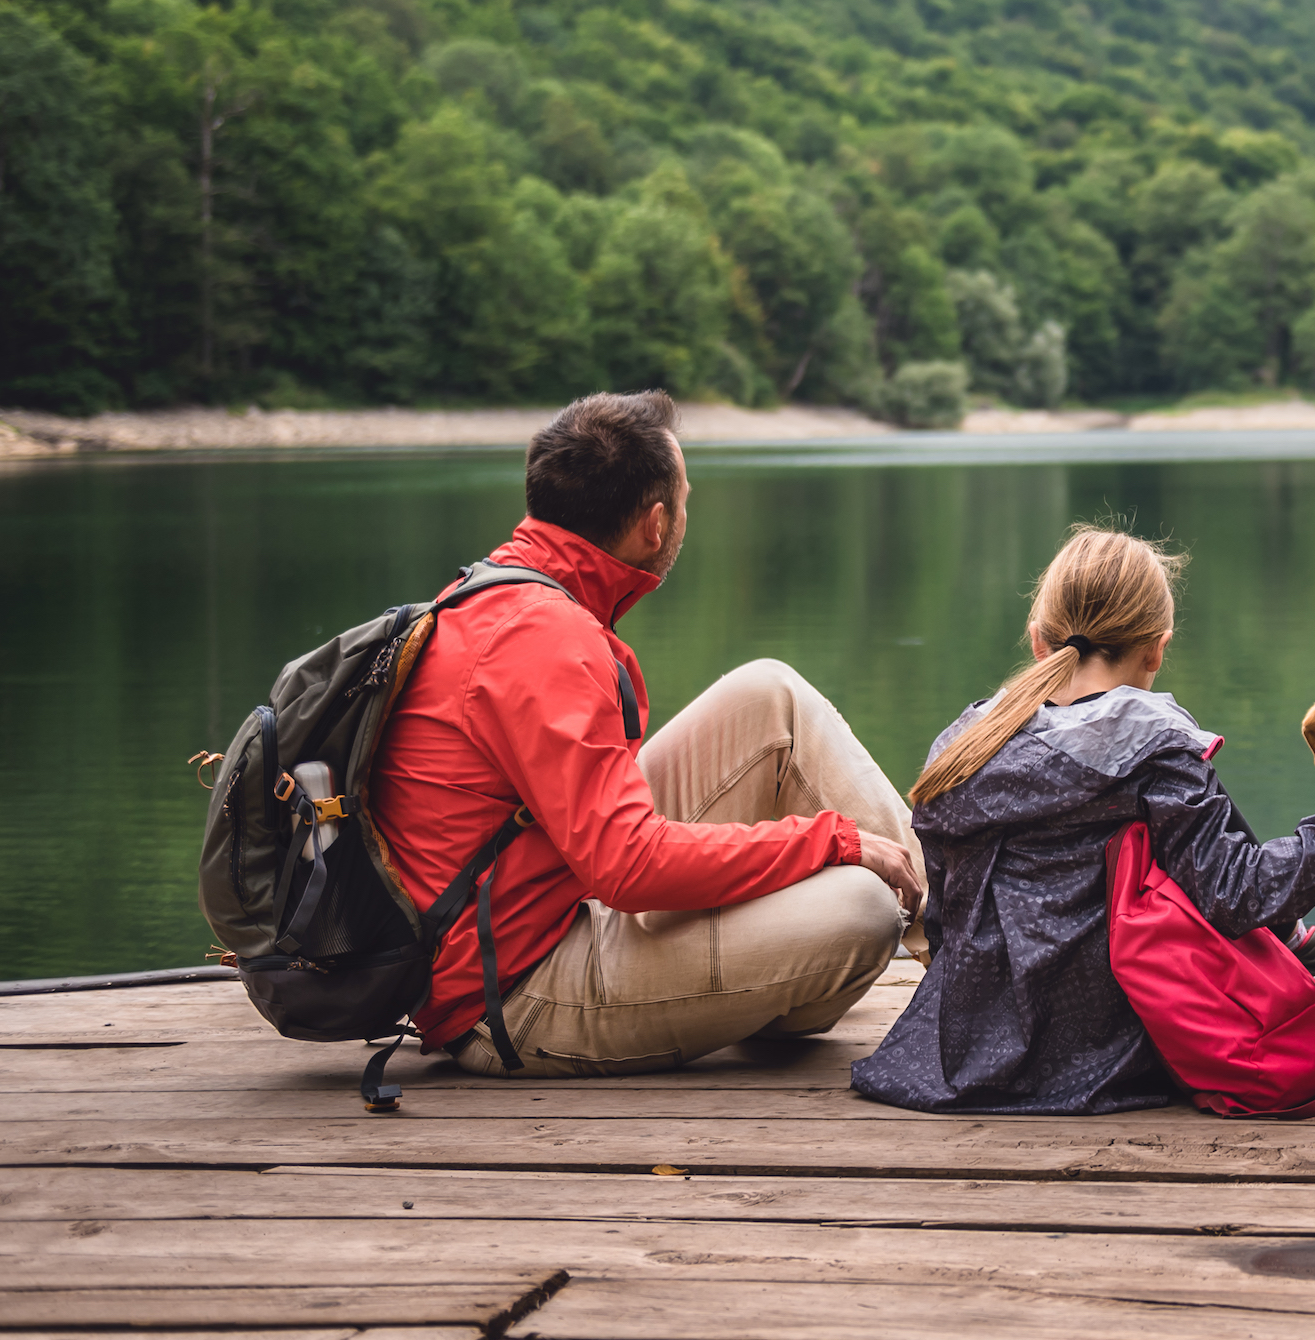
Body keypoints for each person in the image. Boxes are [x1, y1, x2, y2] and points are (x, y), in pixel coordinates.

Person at [379, 390, 928, 1077]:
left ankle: (959, 945)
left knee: (770, 694)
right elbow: (631, 868)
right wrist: (829, 840)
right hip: (513, 995)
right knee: (862, 907)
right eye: (687, 499)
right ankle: (958, 957)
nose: (686, 516)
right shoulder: (547, 640)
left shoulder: (501, 592)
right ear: (655, 523)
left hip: (548, 895)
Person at [853, 525, 1315, 1114]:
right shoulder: (1152, 746)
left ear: (1038, 639)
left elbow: (945, 917)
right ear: (1157, 648)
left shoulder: (962, 744)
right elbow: (1240, 894)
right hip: (1102, 1053)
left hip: (959, 1049)